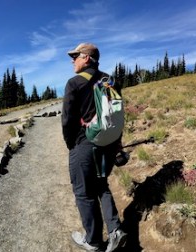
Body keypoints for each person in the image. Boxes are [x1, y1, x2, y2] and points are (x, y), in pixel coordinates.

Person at [61, 42, 126, 252]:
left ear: (87, 58)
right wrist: (117, 142)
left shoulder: (74, 83)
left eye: (76, 56)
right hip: (107, 144)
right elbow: (117, 113)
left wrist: (72, 145)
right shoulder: (110, 80)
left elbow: (67, 121)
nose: (72, 60)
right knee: (101, 186)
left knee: (83, 194)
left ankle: (94, 241)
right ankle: (115, 230)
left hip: (84, 144)